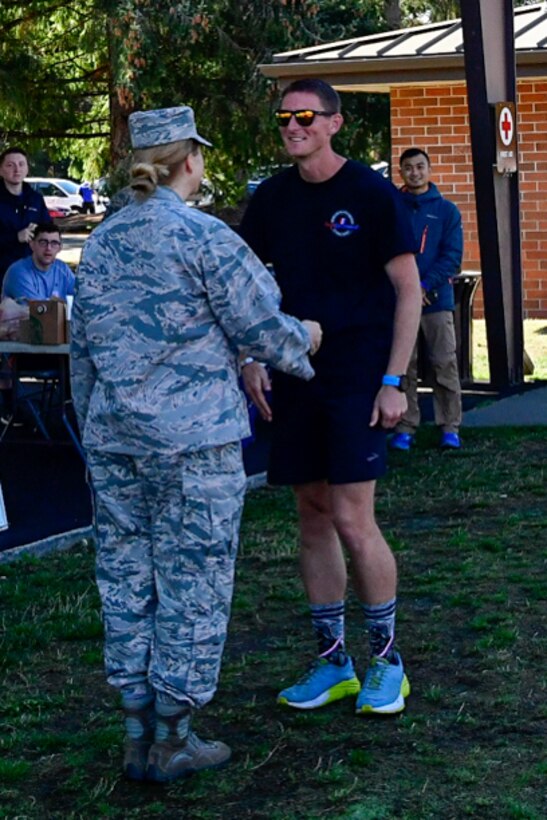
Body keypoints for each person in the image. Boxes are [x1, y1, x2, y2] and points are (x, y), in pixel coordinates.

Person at [69, 105, 322, 784]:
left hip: (117, 443)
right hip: (194, 445)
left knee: (126, 581)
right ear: (192, 161)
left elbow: (82, 354)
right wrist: (308, 339)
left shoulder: (100, 244)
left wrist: (95, 432)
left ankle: (134, 729)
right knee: (193, 582)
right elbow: (265, 330)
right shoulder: (204, 238)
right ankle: (175, 736)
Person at [239, 79, 422, 717]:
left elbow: (408, 290)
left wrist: (394, 380)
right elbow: (248, 287)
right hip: (294, 376)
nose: (293, 126)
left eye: (306, 116)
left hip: (359, 376)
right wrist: (251, 355)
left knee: (352, 516)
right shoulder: (270, 199)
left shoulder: (370, 194)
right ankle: (333, 661)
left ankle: (388, 663)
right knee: (312, 514)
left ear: (335, 123)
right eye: (285, 117)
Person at [389, 148, 463, 451]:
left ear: (429, 170)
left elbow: (452, 257)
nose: (415, 173)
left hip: (436, 300)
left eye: (420, 167)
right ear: (401, 172)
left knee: (444, 362)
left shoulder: (447, 211)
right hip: (398, 302)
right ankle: (405, 426)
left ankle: (450, 426)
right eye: (408, 168)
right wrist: (404, 290)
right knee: (405, 365)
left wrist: (421, 286)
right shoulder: (392, 208)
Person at [0, 147, 50, 289]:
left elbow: (49, 230)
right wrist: (15, 237)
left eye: (21, 164)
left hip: (31, 274)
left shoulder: (36, 199)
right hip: (3, 273)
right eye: (10, 165)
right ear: (1, 170)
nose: (17, 169)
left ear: (27, 168)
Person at [2, 222, 75, 301]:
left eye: (54, 243)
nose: (48, 248)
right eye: (43, 242)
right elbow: (39, 309)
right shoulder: (18, 272)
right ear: (32, 245)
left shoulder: (63, 269)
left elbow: (81, 297)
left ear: (60, 248)